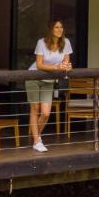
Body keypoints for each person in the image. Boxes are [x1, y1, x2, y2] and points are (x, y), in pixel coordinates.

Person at [25, 20, 72, 152]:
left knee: (45, 113)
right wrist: (56, 67)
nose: (60, 29)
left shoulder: (66, 42)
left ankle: (36, 136)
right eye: (56, 27)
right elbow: (39, 64)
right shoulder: (42, 43)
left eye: (61, 27)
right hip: (34, 77)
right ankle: (36, 141)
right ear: (51, 29)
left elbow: (66, 62)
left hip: (49, 80)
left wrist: (67, 66)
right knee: (35, 108)